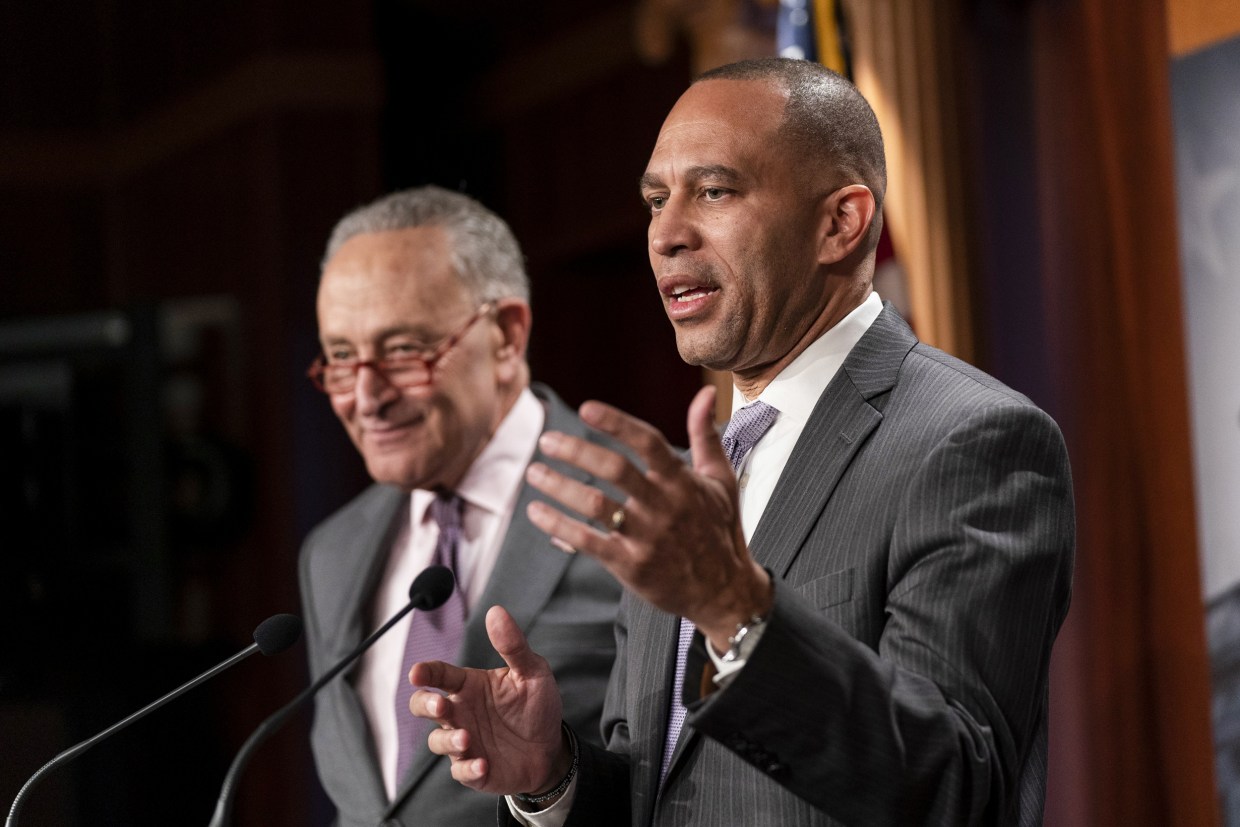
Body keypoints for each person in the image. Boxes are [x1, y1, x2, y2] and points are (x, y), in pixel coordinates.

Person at [407, 58, 1076, 826]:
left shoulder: (971, 439)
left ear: (840, 222)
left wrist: (731, 606)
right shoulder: (688, 487)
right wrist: (551, 779)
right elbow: (662, 794)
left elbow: (958, 790)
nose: (666, 234)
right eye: (656, 199)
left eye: (715, 191)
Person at [298, 186, 624, 827]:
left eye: (402, 351)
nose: (366, 397)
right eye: (341, 357)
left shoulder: (645, 505)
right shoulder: (331, 552)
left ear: (506, 335)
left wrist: (550, 789)